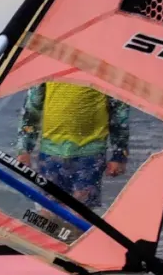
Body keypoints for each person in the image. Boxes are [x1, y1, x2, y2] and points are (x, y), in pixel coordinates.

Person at [16, 81, 130, 209]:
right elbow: (31, 110)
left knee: (81, 212)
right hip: (50, 153)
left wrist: (119, 154)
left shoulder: (101, 70)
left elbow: (119, 113)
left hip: (90, 154)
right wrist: (24, 149)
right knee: (48, 212)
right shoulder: (50, 66)